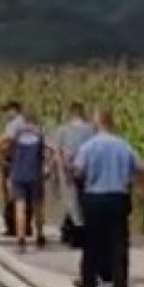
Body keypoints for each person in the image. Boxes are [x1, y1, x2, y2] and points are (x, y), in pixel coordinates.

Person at [72, 108, 144, 287]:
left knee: (92, 242)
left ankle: (89, 283)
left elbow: (78, 171)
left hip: (95, 198)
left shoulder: (88, 146)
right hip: (118, 198)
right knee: (119, 245)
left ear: (97, 123)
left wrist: (82, 183)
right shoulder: (124, 146)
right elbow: (142, 168)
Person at [7, 110, 51, 252]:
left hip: (18, 174)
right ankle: (40, 235)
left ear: (24, 120)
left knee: (20, 207)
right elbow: (48, 152)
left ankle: (21, 238)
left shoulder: (17, 135)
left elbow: (10, 153)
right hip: (35, 175)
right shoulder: (40, 135)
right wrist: (48, 167)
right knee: (38, 206)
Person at [55, 102, 95, 247]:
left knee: (71, 200)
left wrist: (60, 168)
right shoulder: (91, 130)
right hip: (86, 170)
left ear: (71, 113)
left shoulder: (63, 130)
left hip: (68, 170)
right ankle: (83, 231)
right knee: (84, 200)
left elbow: (58, 152)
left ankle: (75, 232)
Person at [0, 101, 24, 235]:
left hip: (13, 162)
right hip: (16, 161)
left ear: (14, 109)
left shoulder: (16, 123)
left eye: (7, 110)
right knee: (15, 194)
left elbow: (7, 139)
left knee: (11, 194)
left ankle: (13, 226)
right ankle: (19, 225)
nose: (5, 114)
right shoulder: (17, 123)